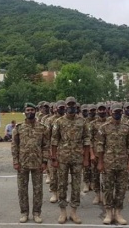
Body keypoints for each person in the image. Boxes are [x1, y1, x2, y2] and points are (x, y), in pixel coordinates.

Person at [51, 96, 90, 224]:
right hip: (62, 158)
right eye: (69, 105)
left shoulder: (82, 122)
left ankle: (73, 212)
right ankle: (63, 212)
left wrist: (85, 158)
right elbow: (54, 141)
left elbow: (86, 141)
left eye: (73, 105)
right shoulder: (59, 121)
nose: (71, 107)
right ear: (66, 106)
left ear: (76, 106)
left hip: (77, 158)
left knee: (76, 185)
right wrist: (54, 158)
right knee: (62, 184)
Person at [12, 102, 49, 223]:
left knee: (38, 190)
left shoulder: (42, 128)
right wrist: (16, 161)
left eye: (32, 110)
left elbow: (45, 146)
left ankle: (37, 213)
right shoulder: (19, 127)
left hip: (37, 163)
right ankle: (24, 213)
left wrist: (44, 162)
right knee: (22, 190)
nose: (29, 112)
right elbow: (14, 146)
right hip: (22, 164)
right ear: (25, 112)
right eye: (27, 110)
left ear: (35, 111)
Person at [97, 103, 129, 225]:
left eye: (119, 112)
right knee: (108, 188)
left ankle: (117, 212)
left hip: (122, 163)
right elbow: (100, 146)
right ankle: (108, 212)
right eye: (115, 112)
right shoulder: (104, 128)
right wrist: (100, 163)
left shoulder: (126, 127)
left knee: (121, 189)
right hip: (108, 163)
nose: (117, 114)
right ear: (110, 112)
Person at [87, 103, 108, 205]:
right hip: (95, 154)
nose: (102, 111)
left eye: (104, 110)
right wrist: (91, 154)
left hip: (107, 155)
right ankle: (97, 194)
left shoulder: (109, 123)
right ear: (97, 111)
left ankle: (105, 195)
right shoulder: (92, 124)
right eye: (100, 110)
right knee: (95, 176)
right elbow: (89, 140)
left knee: (106, 177)